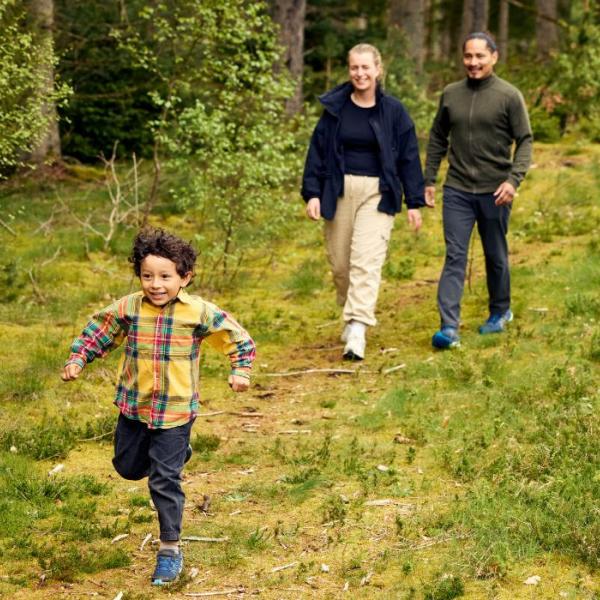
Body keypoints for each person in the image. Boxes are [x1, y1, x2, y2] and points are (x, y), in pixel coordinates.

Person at [61, 227, 255, 585]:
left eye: (165, 276)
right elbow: (99, 330)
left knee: (164, 480)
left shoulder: (197, 312)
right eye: (148, 275)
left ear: (185, 277)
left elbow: (235, 336)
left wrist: (240, 368)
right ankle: (176, 455)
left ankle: (169, 549)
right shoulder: (130, 307)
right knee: (128, 467)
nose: (156, 284)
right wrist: (79, 358)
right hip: (134, 406)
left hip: (175, 412)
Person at [301, 43, 426, 360]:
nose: (360, 73)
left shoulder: (394, 111)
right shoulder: (335, 110)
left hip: (378, 192)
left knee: (366, 262)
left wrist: (413, 201)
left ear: (378, 70)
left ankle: (357, 327)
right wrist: (312, 193)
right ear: (349, 70)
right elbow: (317, 151)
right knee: (341, 265)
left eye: (366, 67)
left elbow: (409, 156)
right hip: (338, 190)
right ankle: (351, 309)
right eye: (354, 68)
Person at [424, 32, 533, 349]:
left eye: (480, 56)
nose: (473, 63)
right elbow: (437, 138)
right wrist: (429, 179)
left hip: (495, 190)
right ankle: (449, 328)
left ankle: (500, 312)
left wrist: (513, 181)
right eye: (468, 56)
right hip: (457, 189)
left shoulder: (509, 96)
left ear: (494, 57)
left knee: (495, 254)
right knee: (455, 255)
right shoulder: (450, 94)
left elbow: (525, 141)